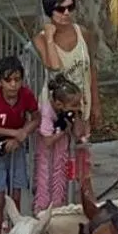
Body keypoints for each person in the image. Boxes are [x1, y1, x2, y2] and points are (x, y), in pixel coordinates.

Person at [0, 53, 40, 234]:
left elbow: (36, 118)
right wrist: (13, 133)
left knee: (15, 196)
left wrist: (23, 133)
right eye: (8, 80)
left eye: (17, 80)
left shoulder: (27, 94)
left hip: (18, 150)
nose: (13, 85)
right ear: (0, 81)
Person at [33, 0, 100, 134]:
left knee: (82, 149)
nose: (66, 13)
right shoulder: (41, 39)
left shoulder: (83, 32)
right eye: (61, 9)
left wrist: (96, 103)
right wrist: (50, 37)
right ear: (50, 11)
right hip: (56, 106)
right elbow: (54, 66)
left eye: (70, 7)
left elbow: (91, 69)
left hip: (81, 102)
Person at [34, 73, 84, 210]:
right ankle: (42, 217)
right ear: (58, 103)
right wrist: (63, 130)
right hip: (46, 160)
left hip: (61, 158)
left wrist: (77, 114)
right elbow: (48, 141)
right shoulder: (46, 112)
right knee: (44, 192)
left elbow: (78, 133)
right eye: (74, 104)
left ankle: (58, 214)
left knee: (59, 192)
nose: (77, 106)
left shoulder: (69, 112)